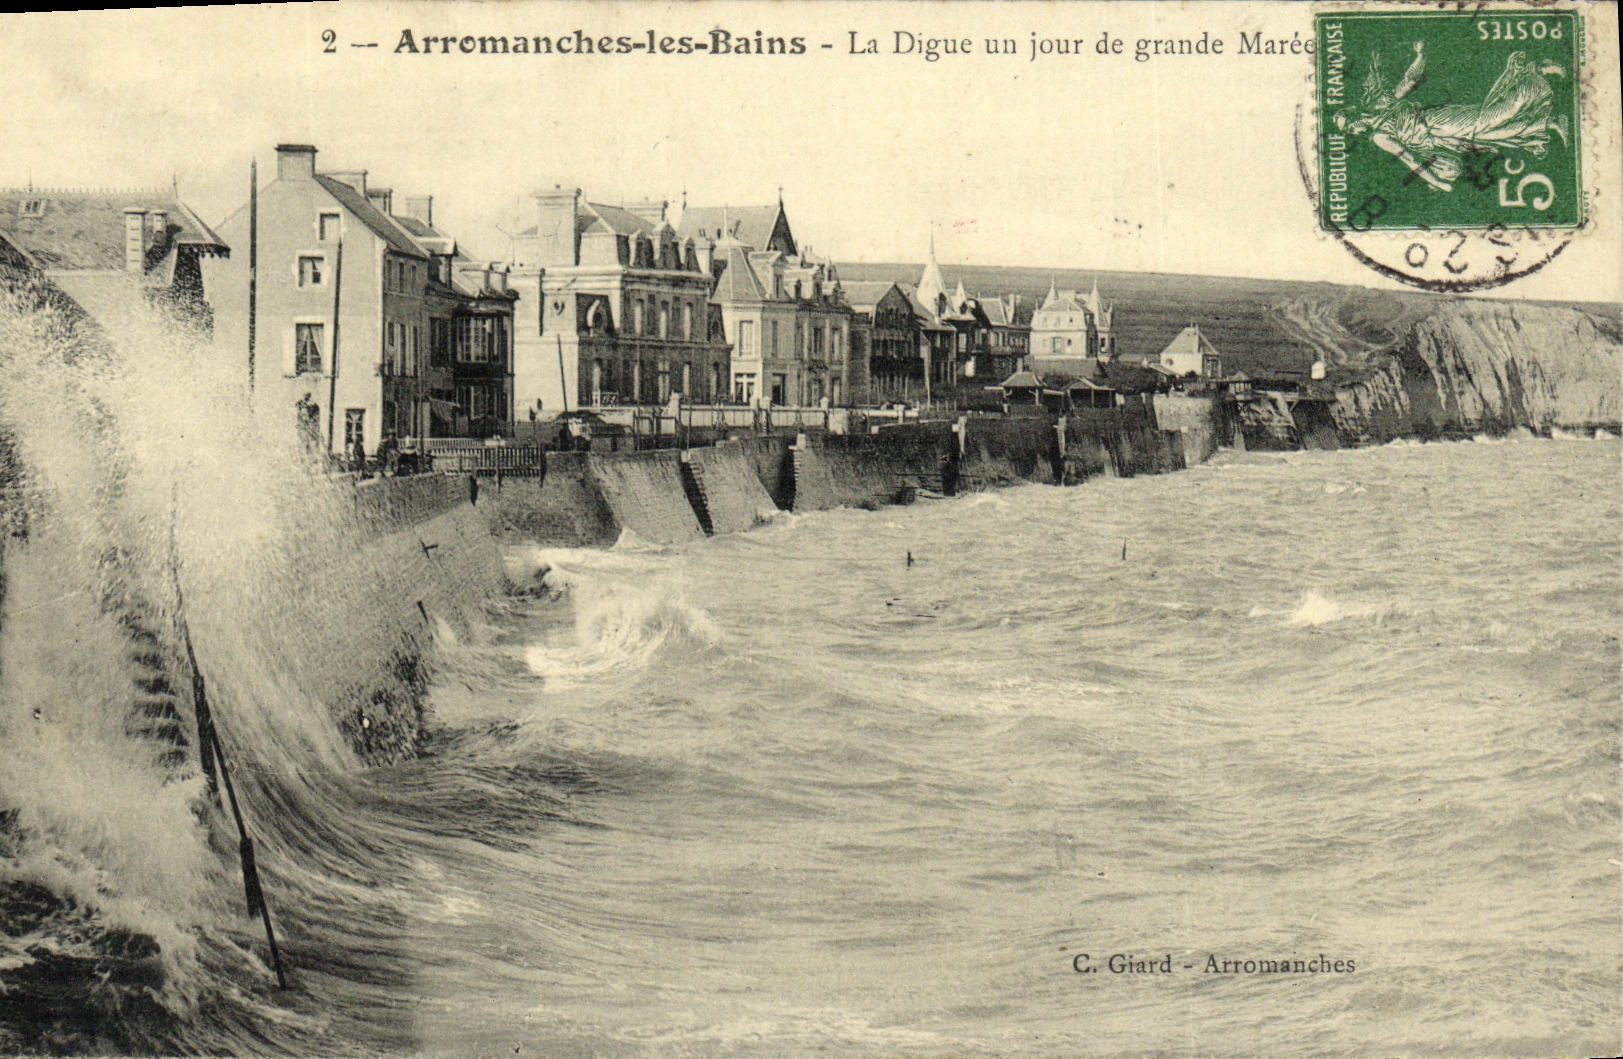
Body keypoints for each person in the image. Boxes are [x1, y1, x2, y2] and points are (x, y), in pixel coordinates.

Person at [1337, 42, 1569, 192]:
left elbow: (1409, 82)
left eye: (1348, 127)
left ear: (1353, 117)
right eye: (1348, 131)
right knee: (1492, 133)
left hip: (1438, 120)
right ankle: (1549, 122)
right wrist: (1437, 181)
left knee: (1488, 120)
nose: (1352, 132)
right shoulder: (1379, 136)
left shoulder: (1382, 111)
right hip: (1441, 139)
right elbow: (1412, 159)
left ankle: (1537, 71)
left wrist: (1420, 56)